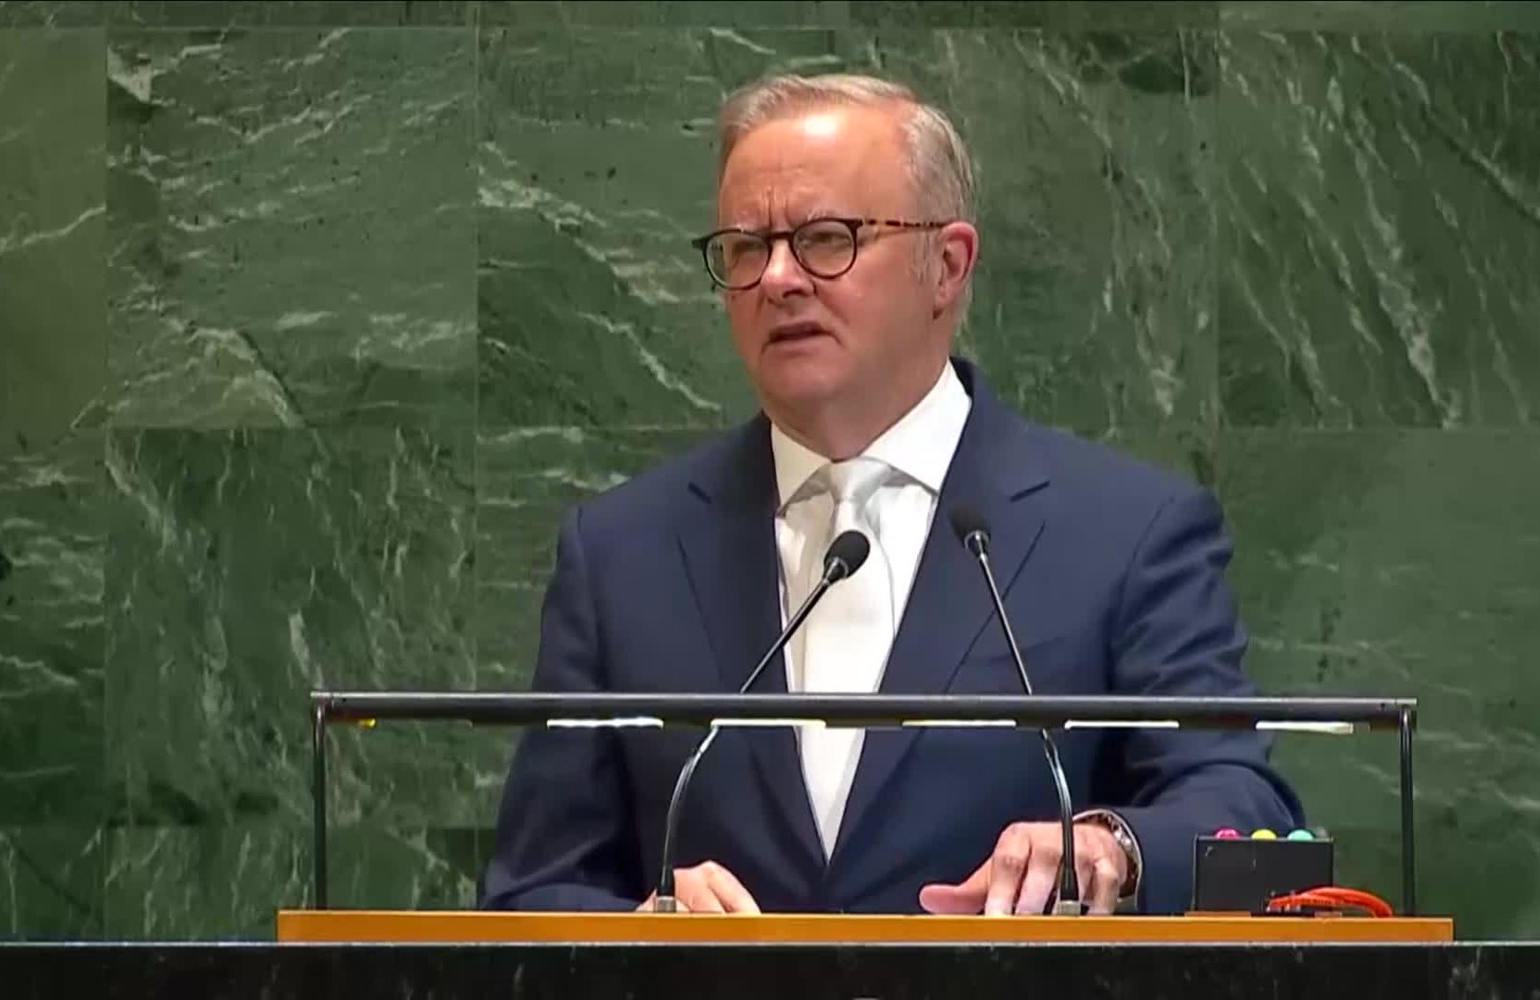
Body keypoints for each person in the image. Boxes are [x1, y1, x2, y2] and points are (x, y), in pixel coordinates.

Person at [480, 72, 1304, 917]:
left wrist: (1111, 848)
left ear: (945, 265)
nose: (777, 279)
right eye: (745, 248)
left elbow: (1246, 816)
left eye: (825, 239)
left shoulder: (1123, 532)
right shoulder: (623, 554)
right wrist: (644, 928)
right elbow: (532, 889)